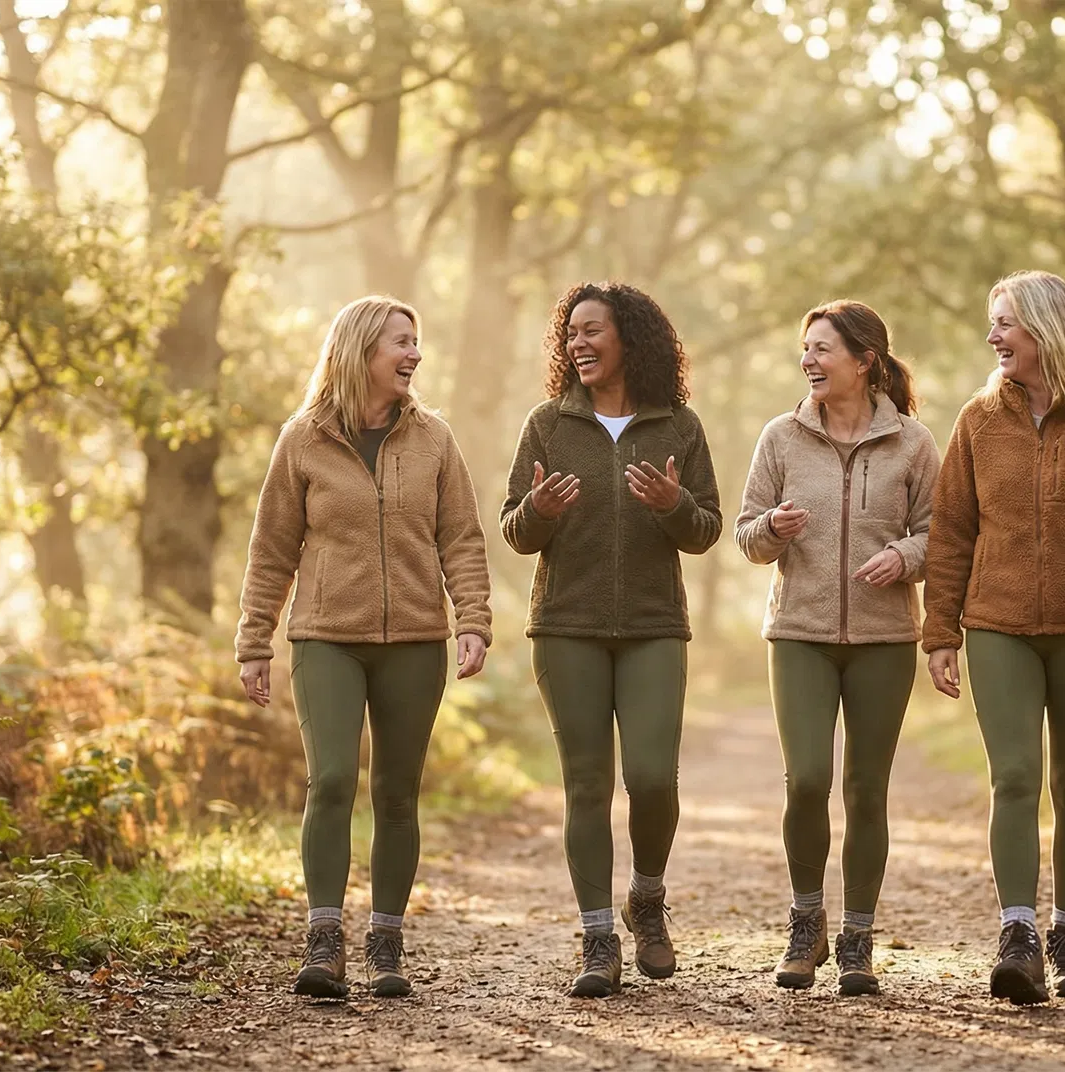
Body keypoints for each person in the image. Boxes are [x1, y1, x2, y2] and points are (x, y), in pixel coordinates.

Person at [235, 295, 493, 1000]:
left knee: (397, 794)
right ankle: (324, 940)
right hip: (326, 639)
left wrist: (473, 619)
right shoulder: (303, 439)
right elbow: (271, 549)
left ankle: (386, 943)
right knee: (332, 782)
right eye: (399, 343)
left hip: (415, 638)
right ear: (359, 352)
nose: (413, 354)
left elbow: (462, 539)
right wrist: (254, 639)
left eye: (416, 342)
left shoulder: (435, 438)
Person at [921, 270, 1065, 1005]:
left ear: (1048, 329)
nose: (994, 337)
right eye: (993, 324)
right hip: (997, 625)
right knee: (1016, 776)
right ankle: (1018, 936)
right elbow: (952, 531)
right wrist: (939, 631)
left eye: (1006, 324)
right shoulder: (977, 420)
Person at [499, 281, 723, 998]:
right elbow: (514, 530)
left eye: (592, 330)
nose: (578, 343)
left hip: (655, 625)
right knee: (587, 786)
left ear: (631, 337)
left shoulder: (678, 426)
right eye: (570, 334)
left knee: (653, 778)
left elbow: (707, 529)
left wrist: (673, 504)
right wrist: (536, 510)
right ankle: (597, 939)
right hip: (567, 625)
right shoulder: (548, 424)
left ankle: (647, 897)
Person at [733, 300, 938, 997]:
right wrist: (774, 528)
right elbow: (745, 534)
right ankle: (803, 921)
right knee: (809, 780)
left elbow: (942, 532)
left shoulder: (912, 443)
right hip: (799, 634)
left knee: (866, 788)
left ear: (864, 361)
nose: (809, 361)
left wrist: (905, 557)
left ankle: (856, 938)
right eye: (805, 349)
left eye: (823, 349)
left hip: (884, 638)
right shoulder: (781, 438)